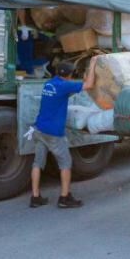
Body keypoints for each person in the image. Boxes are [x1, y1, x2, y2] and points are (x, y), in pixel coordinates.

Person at [29, 56, 97, 208]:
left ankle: (35, 197)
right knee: (65, 163)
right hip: (53, 132)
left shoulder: (50, 83)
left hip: (39, 129)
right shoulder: (64, 86)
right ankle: (64, 197)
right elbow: (90, 84)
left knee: (37, 163)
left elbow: (70, 91)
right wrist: (92, 63)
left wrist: (84, 78)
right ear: (69, 75)